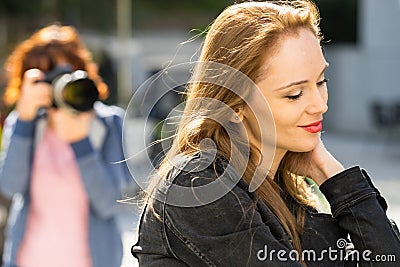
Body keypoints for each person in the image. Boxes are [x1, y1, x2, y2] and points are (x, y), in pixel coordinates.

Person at [132, 1, 400, 266]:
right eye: (294, 94)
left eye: (321, 82)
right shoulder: (199, 188)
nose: (320, 105)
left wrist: (332, 175)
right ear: (235, 107)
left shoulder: (284, 189)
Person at [0, 24, 131, 267]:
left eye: (64, 75)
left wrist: (80, 142)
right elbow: (9, 186)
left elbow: (110, 204)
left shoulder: (108, 122)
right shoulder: (23, 123)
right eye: (47, 78)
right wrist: (25, 121)